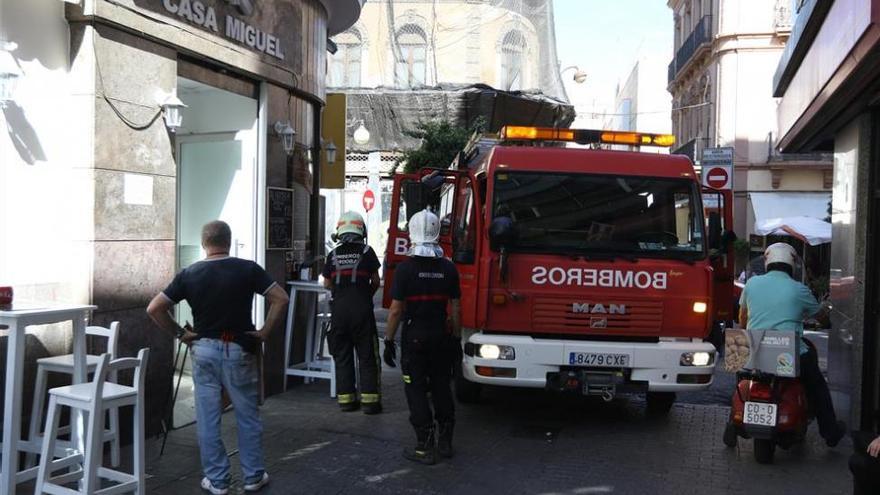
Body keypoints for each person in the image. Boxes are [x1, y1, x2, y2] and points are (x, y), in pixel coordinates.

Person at [147, 220, 289, 494]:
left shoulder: (189, 273)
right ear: (229, 240)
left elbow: (155, 308)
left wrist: (180, 334)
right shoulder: (248, 268)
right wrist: (264, 332)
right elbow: (280, 298)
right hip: (238, 348)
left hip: (204, 350)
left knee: (208, 416)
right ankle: (253, 476)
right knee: (247, 415)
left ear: (204, 244)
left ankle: (218, 480)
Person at [738, 242, 846, 447]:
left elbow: (742, 317)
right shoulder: (799, 289)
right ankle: (830, 432)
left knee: (742, 379)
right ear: (792, 265)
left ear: (768, 262)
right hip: (786, 355)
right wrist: (825, 319)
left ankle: (733, 421)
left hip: (753, 350)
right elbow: (821, 316)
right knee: (816, 385)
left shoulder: (751, 284)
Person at [383, 209, 461, 465]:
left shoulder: (405, 270)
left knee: (415, 389)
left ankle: (424, 446)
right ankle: (446, 441)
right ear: (438, 232)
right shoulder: (449, 269)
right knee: (441, 385)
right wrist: (456, 339)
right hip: (441, 337)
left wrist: (388, 340)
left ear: (412, 233)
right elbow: (456, 309)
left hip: (414, 339)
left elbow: (395, 310)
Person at [322, 211, 383, 414]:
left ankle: (346, 401)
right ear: (361, 230)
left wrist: (341, 294)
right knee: (367, 356)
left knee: (342, 355)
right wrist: (364, 294)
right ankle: (370, 403)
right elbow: (375, 281)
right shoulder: (367, 251)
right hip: (362, 312)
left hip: (339, 313)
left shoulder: (333, 254)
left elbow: (327, 283)